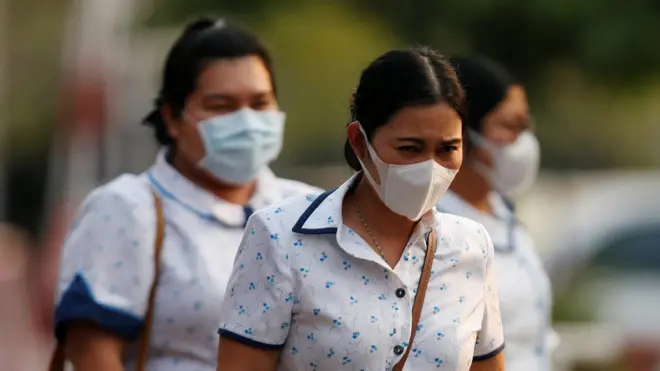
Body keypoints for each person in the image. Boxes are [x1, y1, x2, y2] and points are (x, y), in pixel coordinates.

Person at [52, 17, 322, 371]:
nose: (245, 122)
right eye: (221, 106)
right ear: (172, 118)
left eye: (259, 104)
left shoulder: (311, 212)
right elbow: (91, 354)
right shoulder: (128, 209)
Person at [216, 46, 506, 371]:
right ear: (359, 141)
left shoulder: (470, 246)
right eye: (410, 148)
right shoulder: (282, 239)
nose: (430, 167)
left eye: (447, 148)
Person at [437, 55, 556, 371]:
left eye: (525, 125)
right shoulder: (437, 226)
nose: (523, 140)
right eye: (508, 125)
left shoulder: (505, 214)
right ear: (463, 131)